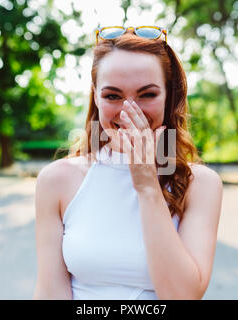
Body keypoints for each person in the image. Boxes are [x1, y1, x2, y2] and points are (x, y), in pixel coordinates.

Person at [33, 26, 223, 300]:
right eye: (113, 96)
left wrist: (147, 185)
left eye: (147, 95)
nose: (129, 110)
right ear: (96, 97)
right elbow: (50, 291)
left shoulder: (200, 184)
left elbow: (183, 296)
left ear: (169, 96)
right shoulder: (56, 180)